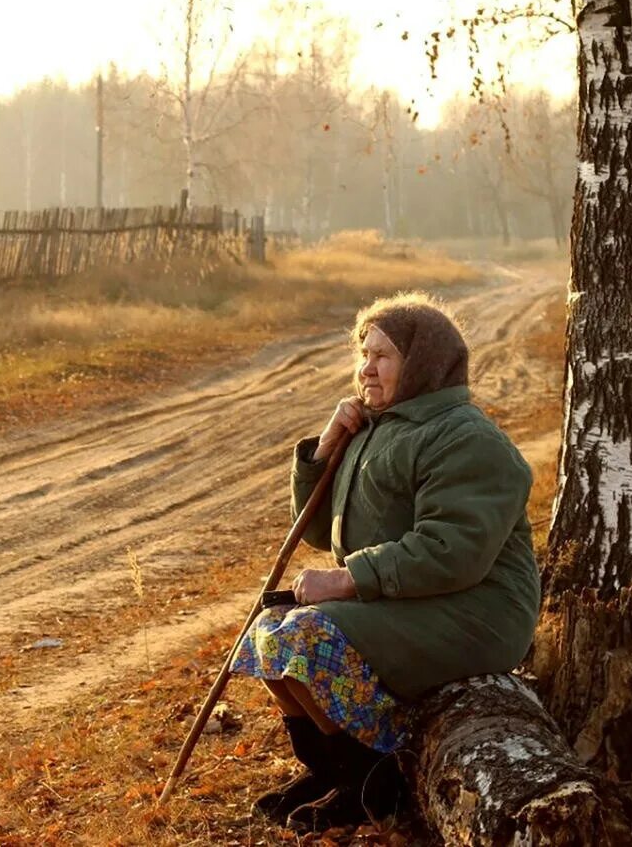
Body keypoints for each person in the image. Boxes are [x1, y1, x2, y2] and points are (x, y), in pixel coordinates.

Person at [229, 292, 541, 831]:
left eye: (383, 356)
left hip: (475, 610)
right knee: (268, 632)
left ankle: (377, 779)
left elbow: (452, 552)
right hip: (412, 596)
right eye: (364, 353)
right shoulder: (376, 428)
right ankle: (332, 769)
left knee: (306, 639)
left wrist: (349, 581)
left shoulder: (465, 437)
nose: (366, 369)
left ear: (420, 365)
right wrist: (327, 446)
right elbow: (317, 527)